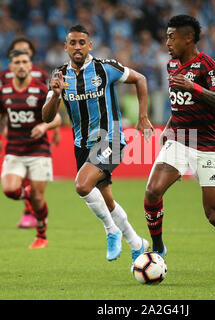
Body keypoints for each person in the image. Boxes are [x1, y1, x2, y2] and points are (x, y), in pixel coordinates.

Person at [143, 15, 215, 284]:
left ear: (188, 39)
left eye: (172, 37)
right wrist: (170, 126)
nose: (167, 41)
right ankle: (158, 247)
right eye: (167, 36)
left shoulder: (208, 66)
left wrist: (194, 86)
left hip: (207, 147)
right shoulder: (172, 65)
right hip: (180, 140)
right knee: (152, 191)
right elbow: (179, 102)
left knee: (214, 215)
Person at [42, 25, 154, 267]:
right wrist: (54, 95)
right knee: (106, 199)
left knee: (82, 185)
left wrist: (143, 116)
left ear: (90, 45)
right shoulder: (59, 76)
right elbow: (46, 117)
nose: (78, 47)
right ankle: (137, 244)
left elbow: (140, 79)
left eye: (82, 42)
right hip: (82, 145)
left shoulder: (105, 68)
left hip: (110, 140)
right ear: (66, 47)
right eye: (72, 43)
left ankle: (111, 231)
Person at [0, 49, 62, 249]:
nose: (22, 65)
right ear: (11, 67)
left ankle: (41, 235)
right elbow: (1, 117)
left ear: (31, 65)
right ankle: (28, 193)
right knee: (9, 190)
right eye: (17, 62)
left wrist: (44, 126)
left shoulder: (40, 90)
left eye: (25, 61)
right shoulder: (3, 92)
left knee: (39, 200)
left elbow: (57, 118)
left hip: (39, 150)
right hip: (14, 149)